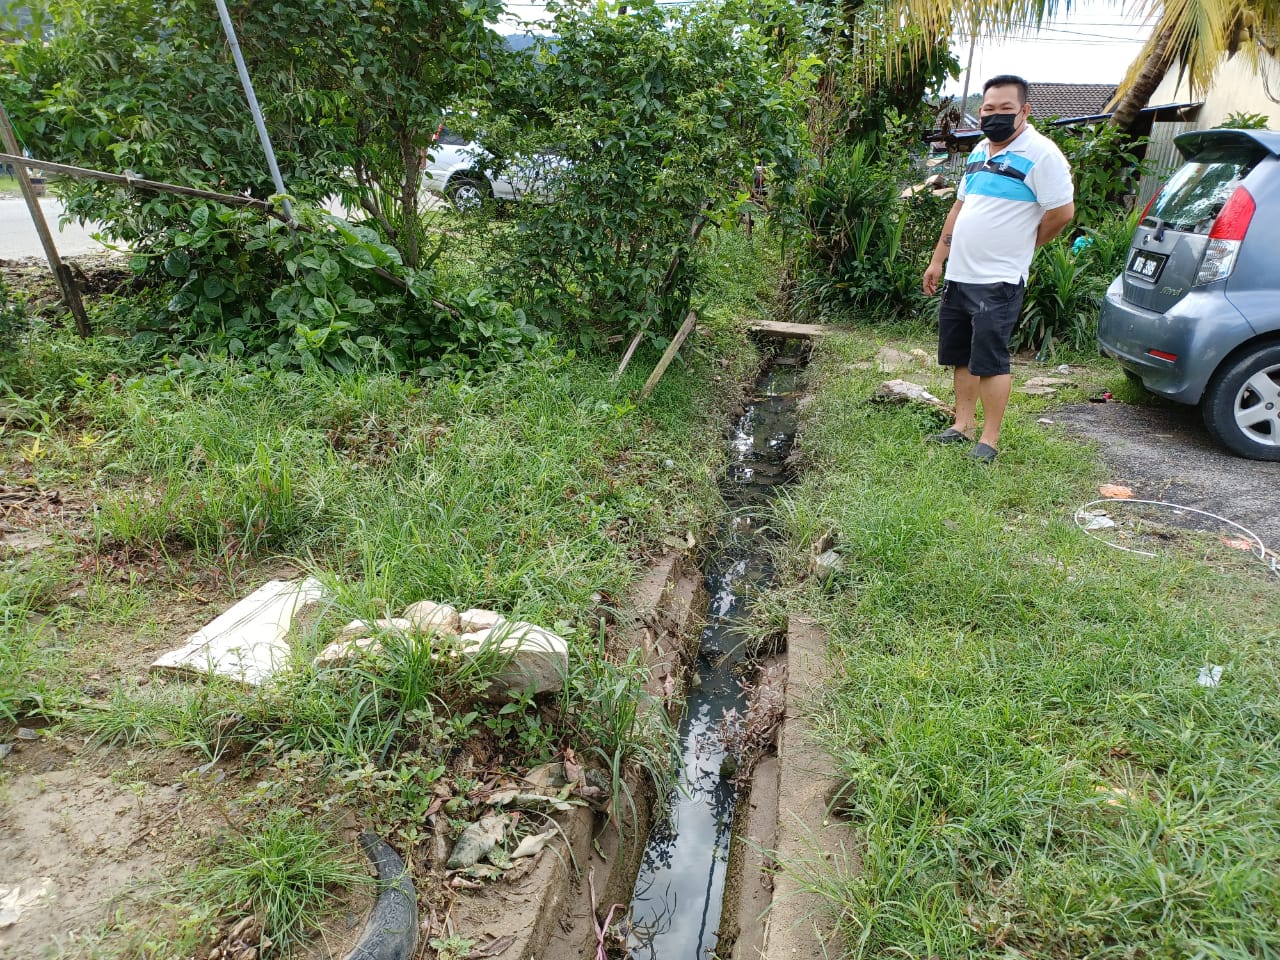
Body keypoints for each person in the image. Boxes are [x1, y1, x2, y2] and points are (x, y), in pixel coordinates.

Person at [922, 75, 1075, 462]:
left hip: (999, 278)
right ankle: (962, 425)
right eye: (988, 109)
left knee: (990, 358)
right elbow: (959, 208)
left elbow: (1061, 213)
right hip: (960, 273)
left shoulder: (1043, 154)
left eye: (1005, 109)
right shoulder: (978, 152)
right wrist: (939, 258)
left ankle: (989, 440)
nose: (995, 116)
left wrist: (1026, 245)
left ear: (1024, 111)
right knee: (960, 355)